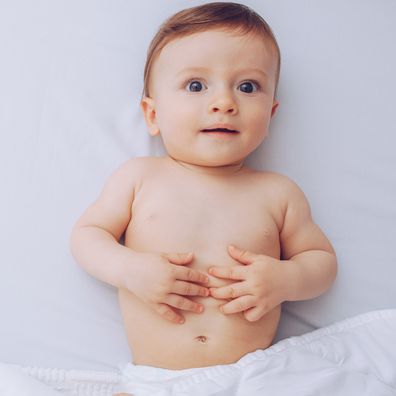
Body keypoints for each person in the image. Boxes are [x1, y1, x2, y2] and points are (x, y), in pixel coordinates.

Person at [69, 2, 337, 395]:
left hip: (256, 376)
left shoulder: (278, 192)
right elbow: (87, 235)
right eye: (196, 85)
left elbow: (323, 263)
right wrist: (129, 269)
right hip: (157, 381)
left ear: (271, 114)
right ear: (152, 115)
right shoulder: (140, 177)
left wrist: (285, 278)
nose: (224, 102)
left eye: (248, 87)